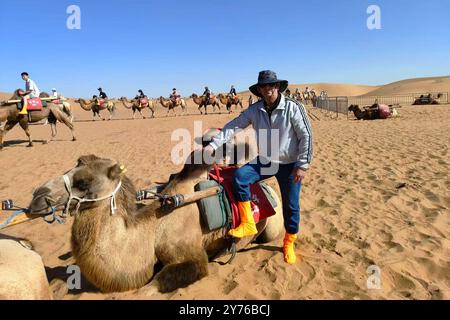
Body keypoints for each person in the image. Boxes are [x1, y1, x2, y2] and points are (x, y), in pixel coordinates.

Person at [204, 70, 313, 265]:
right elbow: (233, 126)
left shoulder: (293, 108)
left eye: (271, 85)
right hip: (266, 161)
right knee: (239, 177)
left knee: (291, 205)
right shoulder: (255, 110)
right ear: (260, 90)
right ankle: (247, 223)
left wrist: (302, 165)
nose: (267, 89)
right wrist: (212, 146)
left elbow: (306, 136)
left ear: (277, 87)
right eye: (264, 86)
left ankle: (289, 242)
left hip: (290, 164)